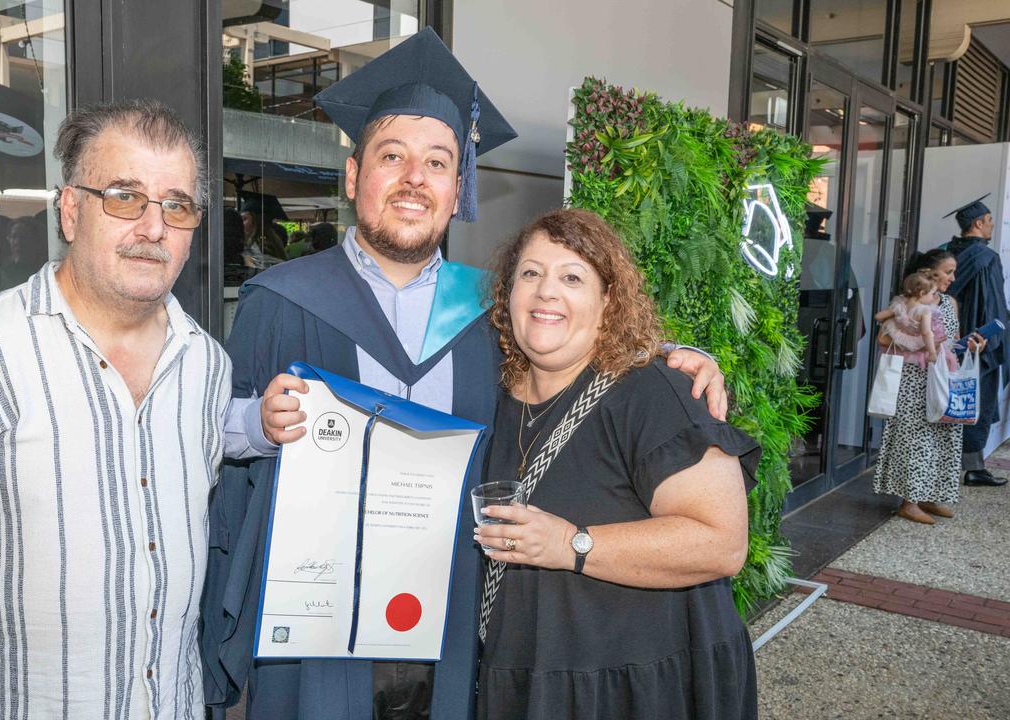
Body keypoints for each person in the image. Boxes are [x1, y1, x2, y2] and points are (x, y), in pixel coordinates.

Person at [200, 28, 727, 720]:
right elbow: (209, 438)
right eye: (392, 157)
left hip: (452, 613)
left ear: (458, 189)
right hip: (317, 622)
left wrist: (669, 353)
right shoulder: (278, 300)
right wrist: (256, 425)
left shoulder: (493, 311)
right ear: (355, 176)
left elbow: (579, 345)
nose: (415, 179)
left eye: (438, 163)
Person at [0, 100, 230, 719]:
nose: (153, 228)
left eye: (176, 205)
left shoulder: (208, 366)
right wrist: (0, 610)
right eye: (124, 196)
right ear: (71, 210)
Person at [473, 208, 759, 720]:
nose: (546, 292)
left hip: (638, 687)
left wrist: (569, 544)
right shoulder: (486, 392)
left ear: (608, 302)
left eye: (572, 277)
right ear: (508, 293)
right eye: (531, 273)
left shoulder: (654, 393)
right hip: (524, 677)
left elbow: (722, 543)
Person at [873, 251, 971, 523]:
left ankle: (928, 495)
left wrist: (971, 344)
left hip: (941, 376)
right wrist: (923, 344)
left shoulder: (949, 303)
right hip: (913, 379)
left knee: (943, 432)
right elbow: (884, 338)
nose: (952, 278)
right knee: (914, 437)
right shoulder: (908, 302)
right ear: (929, 272)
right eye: (948, 271)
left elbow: (955, 338)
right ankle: (908, 500)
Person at [943, 194, 1009, 487]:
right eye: (990, 221)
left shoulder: (946, 253)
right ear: (979, 223)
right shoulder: (986, 258)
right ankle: (974, 468)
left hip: (950, 338)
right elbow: (993, 304)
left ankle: (951, 463)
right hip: (978, 341)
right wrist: (994, 338)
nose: (992, 226)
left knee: (952, 400)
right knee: (976, 402)